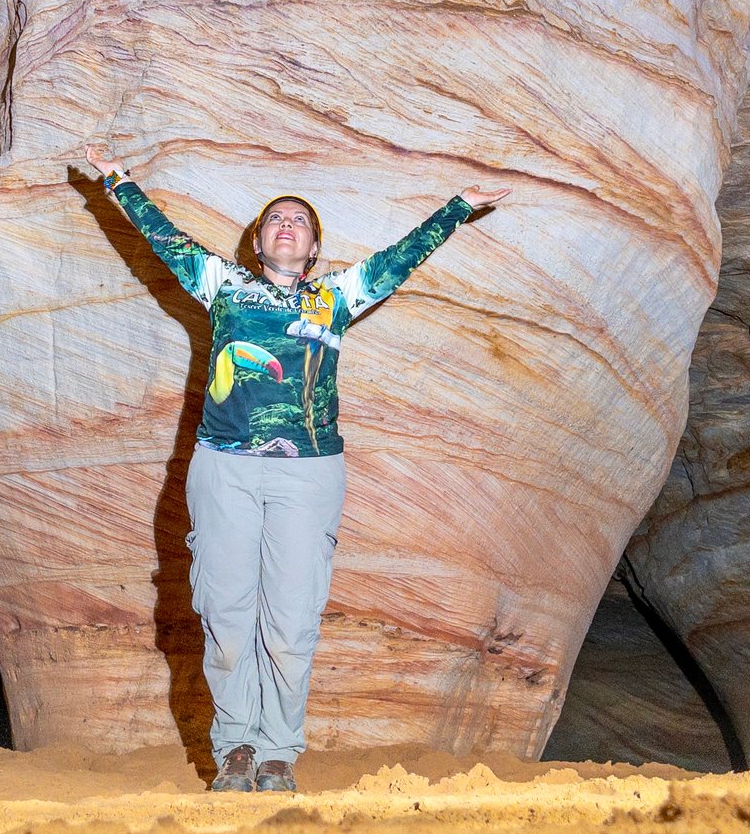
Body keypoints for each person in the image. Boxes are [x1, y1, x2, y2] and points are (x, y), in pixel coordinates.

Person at [83, 144, 508, 792]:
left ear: (313, 249)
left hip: (308, 474)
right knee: (225, 618)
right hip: (224, 467)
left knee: (288, 624)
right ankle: (236, 751)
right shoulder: (223, 284)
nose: (286, 223)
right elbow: (164, 238)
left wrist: (457, 209)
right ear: (257, 242)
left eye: (300, 221)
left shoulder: (336, 295)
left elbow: (399, 259)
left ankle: (278, 751)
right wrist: (116, 178)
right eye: (274, 218)